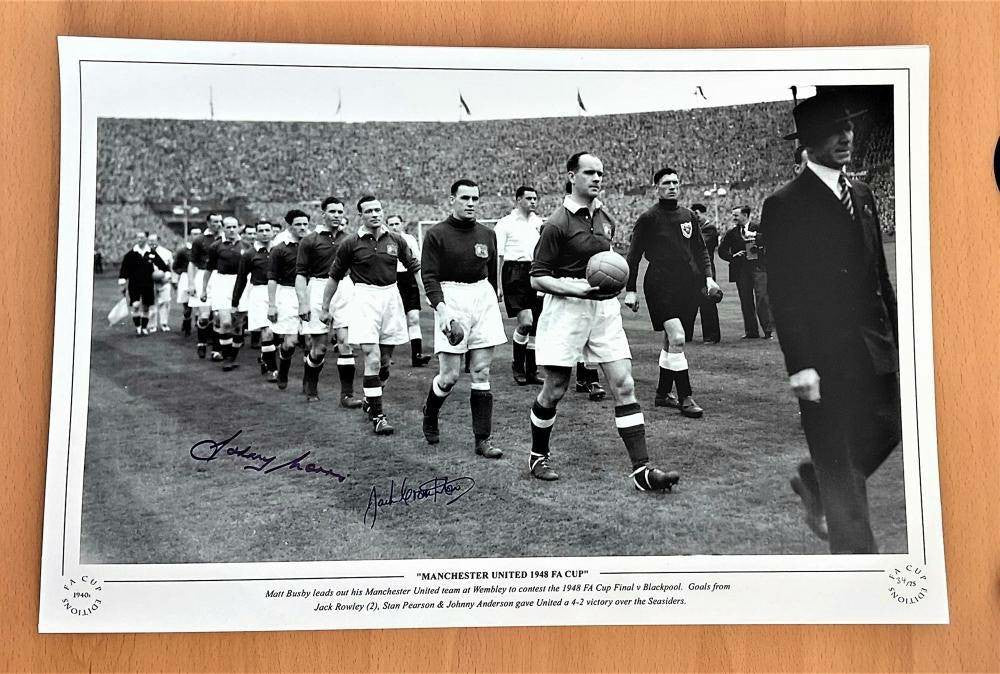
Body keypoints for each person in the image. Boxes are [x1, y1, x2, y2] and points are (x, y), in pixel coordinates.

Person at [761, 92, 900, 553]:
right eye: (831, 131)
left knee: (893, 425)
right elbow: (784, 294)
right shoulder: (785, 204)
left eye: (849, 128)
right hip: (824, 356)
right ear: (807, 144)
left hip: (875, 347)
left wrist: (901, 340)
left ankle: (816, 483)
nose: (844, 137)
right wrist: (799, 364)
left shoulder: (861, 192)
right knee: (840, 468)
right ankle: (858, 571)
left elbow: (878, 274)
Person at [527, 152, 680, 491]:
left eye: (600, 173)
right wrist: (578, 288)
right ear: (572, 176)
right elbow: (537, 278)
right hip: (566, 309)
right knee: (555, 389)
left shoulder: (605, 218)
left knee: (624, 384)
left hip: (604, 310)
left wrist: (615, 286)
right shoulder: (557, 223)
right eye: (589, 173)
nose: (597, 178)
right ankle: (538, 455)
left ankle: (642, 472)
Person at [420, 179, 507, 459]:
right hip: (451, 298)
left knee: (481, 371)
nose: (471, 203)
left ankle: (483, 440)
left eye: (475, 198)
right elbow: (429, 276)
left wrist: (492, 297)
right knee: (450, 376)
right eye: (465, 198)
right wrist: (442, 309)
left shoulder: (487, 234)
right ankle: (430, 412)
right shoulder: (436, 234)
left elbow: (492, 273)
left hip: (481, 297)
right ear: (452, 199)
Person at [623, 167, 718, 419]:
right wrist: (630, 290)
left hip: (687, 285)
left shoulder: (688, 216)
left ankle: (663, 393)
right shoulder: (648, 218)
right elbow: (632, 257)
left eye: (676, 182)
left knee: (671, 341)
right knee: (677, 338)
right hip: (659, 284)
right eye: (666, 183)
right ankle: (686, 396)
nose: (672, 186)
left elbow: (701, 251)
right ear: (657, 187)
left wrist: (708, 278)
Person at [321, 196, 420, 435]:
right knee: (372, 358)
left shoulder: (396, 239)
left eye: (378, 209)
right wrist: (325, 307)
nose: (375, 214)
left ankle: (369, 399)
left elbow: (414, 266)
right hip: (364, 298)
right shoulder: (351, 243)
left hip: (391, 297)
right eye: (369, 211)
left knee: (384, 363)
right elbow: (334, 276)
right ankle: (378, 416)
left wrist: (428, 293)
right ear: (360, 215)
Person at [295, 197, 361, 406]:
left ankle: (347, 395)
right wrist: (302, 302)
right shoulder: (310, 240)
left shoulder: (349, 239)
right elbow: (300, 274)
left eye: (340, 212)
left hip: (343, 288)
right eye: (332, 211)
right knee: (319, 348)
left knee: (346, 342)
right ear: (323, 214)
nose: (336, 215)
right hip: (317, 288)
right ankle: (311, 384)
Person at [494, 186, 544, 385]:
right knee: (526, 322)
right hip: (514, 273)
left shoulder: (538, 223)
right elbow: (498, 256)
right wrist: (497, 284)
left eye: (535, 198)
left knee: (536, 327)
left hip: (535, 271)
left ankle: (531, 371)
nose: (533, 202)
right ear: (518, 200)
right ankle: (517, 366)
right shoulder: (505, 224)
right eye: (529, 198)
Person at [202, 216, 251, 371]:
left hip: (241, 283)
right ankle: (227, 356)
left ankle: (231, 357)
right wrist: (203, 289)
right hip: (222, 283)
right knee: (226, 323)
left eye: (234, 227)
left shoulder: (246, 245)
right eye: (228, 227)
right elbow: (209, 269)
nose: (231, 230)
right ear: (223, 228)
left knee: (238, 325)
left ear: (238, 228)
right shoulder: (216, 246)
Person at [267, 210, 309, 390]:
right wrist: (272, 305)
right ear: (289, 225)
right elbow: (272, 278)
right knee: (290, 343)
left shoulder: (311, 244)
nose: (302, 227)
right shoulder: (280, 248)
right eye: (298, 224)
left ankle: (309, 382)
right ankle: (283, 370)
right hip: (287, 293)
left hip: (309, 292)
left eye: (305, 224)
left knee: (310, 342)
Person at [718, 206, 773, 339]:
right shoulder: (732, 233)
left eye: (736, 215)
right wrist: (733, 256)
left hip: (759, 269)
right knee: (746, 301)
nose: (734, 218)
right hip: (741, 271)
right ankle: (751, 332)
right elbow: (721, 250)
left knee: (762, 299)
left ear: (745, 215)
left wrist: (755, 236)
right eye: (733, 215)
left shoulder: (758, 228)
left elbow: (771, 240)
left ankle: (768, 331)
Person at [386, 214, 432, 367]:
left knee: (413, 318)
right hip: (391, 280)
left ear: (402, 224)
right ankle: (385, 355)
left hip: (409, 280)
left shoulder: (410, 240)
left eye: (397, 223)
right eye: (391, 224)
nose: (394, 227)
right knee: (391, 320)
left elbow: (417, 264)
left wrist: (425, 290)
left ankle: (417, 356)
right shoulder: (384, 240)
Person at [233, 220, 276, 380]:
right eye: (261, 230)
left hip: (279, 292)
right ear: (256, 233)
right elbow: (241, 279)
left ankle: (266, 358)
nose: (264, 233)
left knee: (278, 334)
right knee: (267, 331)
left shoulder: (279, 251)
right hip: (259, 292)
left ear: (273, 232)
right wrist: (235, 303)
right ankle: (273, 370)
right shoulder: (250, 254)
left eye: (267, 230)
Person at [118, 230, 170, 336]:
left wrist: (166, 273)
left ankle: (144, 328)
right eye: (138, 237)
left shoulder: (151, 253)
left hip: (148, 284)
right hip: (134, 284)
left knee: (146, 307)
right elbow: (124, 269)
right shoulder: (131, 254)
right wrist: (122, 282)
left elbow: (163, 266)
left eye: (142, 237)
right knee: (136, 305)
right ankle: (138, 327)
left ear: (146, 238)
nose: (140, 239)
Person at [188, 214, 222, 359]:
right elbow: (192, 263)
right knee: (204, 316)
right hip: (203, 277)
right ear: (208, 223)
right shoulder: (200, 240)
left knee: (219, 316)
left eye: (220, 221)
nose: (218, 224)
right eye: (215, 221)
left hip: (220, 277)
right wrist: (190, 283)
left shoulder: (226, 239)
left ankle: (216, 350)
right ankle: (201, 343)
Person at [689, 203, 721, 344]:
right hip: (692, 272)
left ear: (700, 213)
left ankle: (711, 336)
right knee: (689, 304)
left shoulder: (710, 229)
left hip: (705, 273)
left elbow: (702, 246)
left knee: (707, 304)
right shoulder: (697, 229)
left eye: (695, 214)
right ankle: (686, 335)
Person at [146, 233, 174, 332]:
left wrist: (169, 278)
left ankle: (164, 323)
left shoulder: (167, 253)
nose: (151, 242)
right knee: (151, 304)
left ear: (158, 240)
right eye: (150, 240)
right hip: (149, 282)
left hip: (164, 281)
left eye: (153, 240)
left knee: (165, 302)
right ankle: (152, 325)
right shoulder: (144, 253)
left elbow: (171, 268)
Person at [173, 231, 195, 337]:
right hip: (186, 277)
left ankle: (200, 328)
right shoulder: (183, 251)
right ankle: (187, 325)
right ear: (190, 236)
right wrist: (183, 273)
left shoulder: (204, 250)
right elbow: (175, 266)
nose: (197, 236)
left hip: (199, 276)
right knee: (186, 304)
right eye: (194, 234)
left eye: (199, 234)